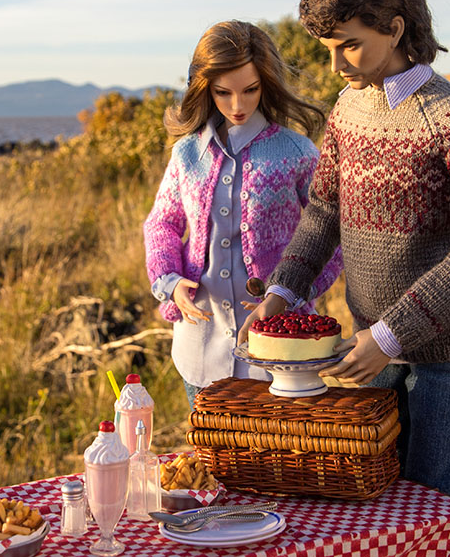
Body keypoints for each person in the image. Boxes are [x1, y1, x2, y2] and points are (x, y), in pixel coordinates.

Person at [239, 0, 450, 499]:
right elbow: (323, 212)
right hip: (367, 353)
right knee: (371, 497)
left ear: (394, 29)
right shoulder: (348, 110)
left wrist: (393, 334)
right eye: (328, 48)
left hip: (446, 358)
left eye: (350, 44)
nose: (336, 65)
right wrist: (281, 291)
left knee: (429, 504)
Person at [143, 20, 344, 409]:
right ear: (206, 89)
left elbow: (330, 236)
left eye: (250, 90)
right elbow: (162, 223)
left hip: (281, 350)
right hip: (201, 344)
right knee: (212, 464)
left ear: (266, 83)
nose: (238, 105)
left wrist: (291, 294)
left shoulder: (296, 153)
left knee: (279, 463)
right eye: (223, 93)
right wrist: (169, 280)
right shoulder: (188, 153)